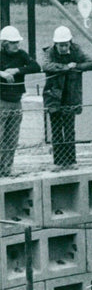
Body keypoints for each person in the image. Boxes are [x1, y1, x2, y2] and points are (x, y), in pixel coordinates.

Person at [42, 26, 92, 171]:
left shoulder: (76, 50)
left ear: (70, 42)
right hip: (54, 96)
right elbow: (46, 65)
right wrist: (66, 67)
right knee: (56, 130)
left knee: (69, 130)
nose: (63, 48)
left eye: (65, 45)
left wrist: (77, 66)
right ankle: (58, 162)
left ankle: (71, 160)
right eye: (60, 45)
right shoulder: (49, 52)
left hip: (70, 96)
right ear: (56, 44)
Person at [0, 26, 41, 177]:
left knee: (11, 139)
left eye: (17, 42)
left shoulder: (21, 55)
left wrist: (17, 70)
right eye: (13, 43)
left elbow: (36, 66)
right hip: (1, 101)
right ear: (4, 43)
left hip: (16, 101)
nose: (16, 45)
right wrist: (2, 73)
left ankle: (6, 169)